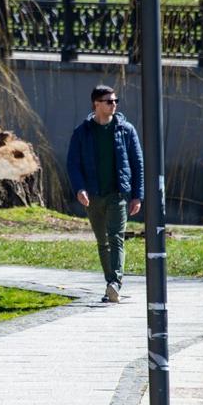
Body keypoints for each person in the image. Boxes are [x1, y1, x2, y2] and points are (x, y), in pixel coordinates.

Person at [65, 85, 142, 303]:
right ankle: (110, 283)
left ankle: (114, 283)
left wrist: (137, 195)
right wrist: (79, 188)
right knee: (102, 241)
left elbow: (137, 164)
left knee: (116, 237)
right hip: (92, 195)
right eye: (109, 101)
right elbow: (73, 164)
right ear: (96, 104)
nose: (114, 105)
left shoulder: (126, 130)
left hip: (117, 194)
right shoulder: (82, 132)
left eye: (115, 101)